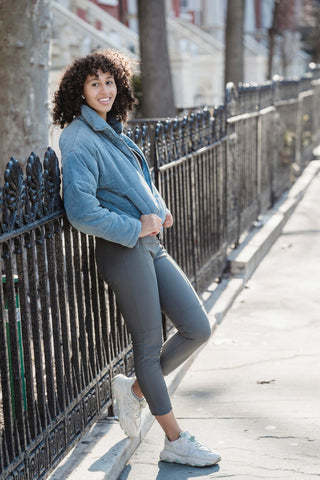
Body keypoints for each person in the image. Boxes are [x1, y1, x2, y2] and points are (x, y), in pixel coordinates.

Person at [52, 49, 221, 468]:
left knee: (197, 327)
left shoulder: (113, 130)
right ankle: (175, 439)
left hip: (149, 245)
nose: (104, 90)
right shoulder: (77, 139)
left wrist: (158, 208)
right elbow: (81, 211)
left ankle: (134, 391)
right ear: (80, 90)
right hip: (122, 250)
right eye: (95, 84)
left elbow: (136, 185)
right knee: (147, 347)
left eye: (110, 82)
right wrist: (136, 227)